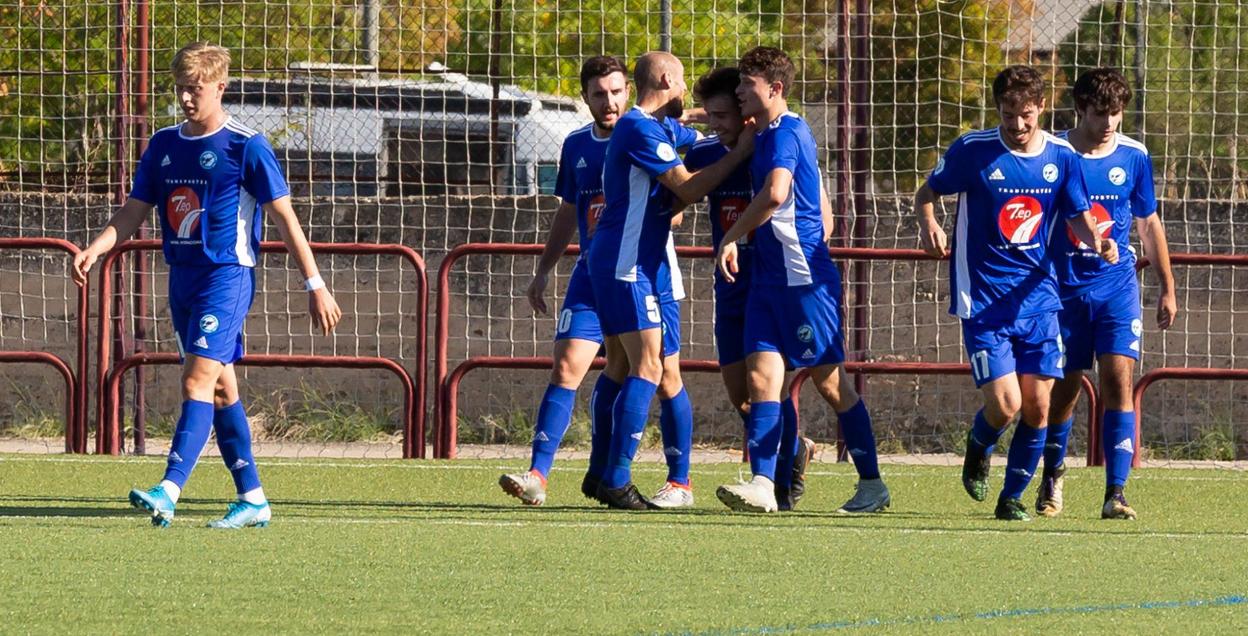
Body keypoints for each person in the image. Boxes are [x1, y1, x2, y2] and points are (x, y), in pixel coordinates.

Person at [71, 42, 342, 528]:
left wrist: (315, 284)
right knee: (219, 391)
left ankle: (168, 489)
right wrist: (98, 245)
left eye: (195, 89)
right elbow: (136, 209)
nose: (186, 99)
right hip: (183, 280)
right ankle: (253, 498)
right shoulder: (163, 145)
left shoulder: (246, 146)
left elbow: (285, 218)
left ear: (220, 87)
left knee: (196, 379)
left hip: (227, 276)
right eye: (180, 89)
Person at [914, 65, 1115, 521]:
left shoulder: (1062, 157)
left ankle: (1012, 499)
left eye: (1026, 115)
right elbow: (928, 191)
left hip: (1039, 299)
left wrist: (1097, 240)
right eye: (1008, 115)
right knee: (1006, 405)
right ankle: (979, 444)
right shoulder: (973, 150)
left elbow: (1077, 214)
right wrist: (929, 222)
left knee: (1039, 405)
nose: (1018, 125)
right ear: (998, 110)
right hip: (983, 299)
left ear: (1041, 107)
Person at [498, 56, 697, 508]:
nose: (608, 102)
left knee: (664, 374)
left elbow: (685, 182)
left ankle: (678, 480)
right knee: (570, 365)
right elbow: (569, 211)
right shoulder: (576, 146)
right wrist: (545, 269)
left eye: (615, 92)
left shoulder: (652, 130)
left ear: (628, 90)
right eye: (598, 94)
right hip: (594, 273)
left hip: (647, 272)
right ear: (585, 98)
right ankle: (539, 475)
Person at [714, 47, 887, 514]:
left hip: (803, 282)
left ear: (775, 89)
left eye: (747, 86)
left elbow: (775, 193)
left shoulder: (786, 132)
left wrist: (733, 236)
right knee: (760, 380)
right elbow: (823, 212)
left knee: (832, 386)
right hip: (770, 282)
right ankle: (764, 484)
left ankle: (872, 483)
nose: (739, 93)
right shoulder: (771, 133)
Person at [587, 51, 753, 509]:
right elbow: (688, 186)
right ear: (665, 77)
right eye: (681, 81)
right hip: (627, 264)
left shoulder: (659, 126)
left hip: (649, 264)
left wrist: (736, 116)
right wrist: (741, 151)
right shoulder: (637, 127)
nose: (685, 89)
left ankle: (633, 476)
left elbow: (694, 126)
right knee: (645, 367)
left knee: (639, 368)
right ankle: (616, 479)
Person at [1036, 67, 1177, 520]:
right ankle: (1052, 475)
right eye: (1100, 114)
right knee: (1065, 389)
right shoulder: (1053, 151)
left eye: (1116, 113)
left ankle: (1115, 491)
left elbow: (1149, 224)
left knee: (1119, 381)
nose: (1109, 123)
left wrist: (1166, 288)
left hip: (1115, 287)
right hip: (1062, 289)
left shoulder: (1134, 156)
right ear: (1080, 110)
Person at [684, 66, 816, 510]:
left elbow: (809, 197)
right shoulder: (712, 154)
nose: (717, 122)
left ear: (746, 113)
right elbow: (673, 175)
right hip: (729, 285)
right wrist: (689, 117)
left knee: (766, 385)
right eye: (713, 115)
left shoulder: (773, 145)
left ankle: (777, 478)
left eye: (725, 114)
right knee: (742, 396)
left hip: (768, 280)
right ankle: (795, 448)